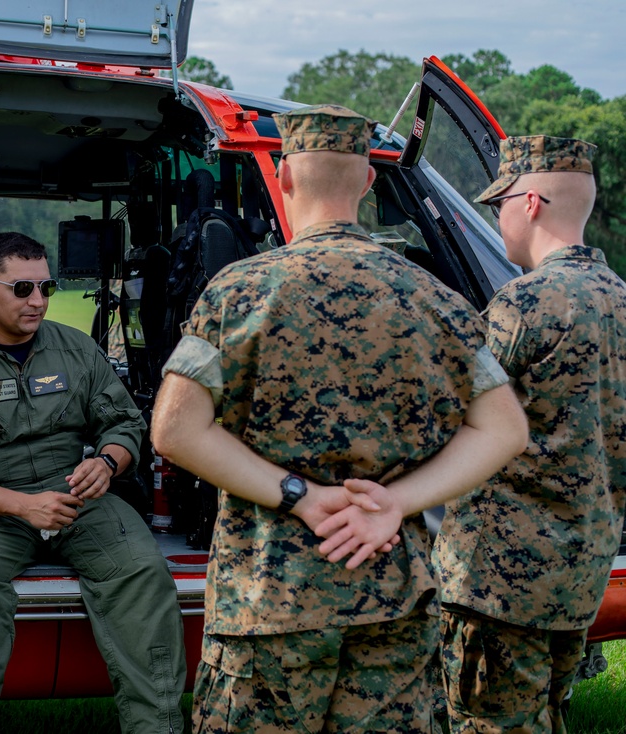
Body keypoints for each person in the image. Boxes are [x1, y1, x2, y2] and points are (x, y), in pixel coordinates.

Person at [150, 105, 528, 733]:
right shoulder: (436, 298)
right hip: (393, 594)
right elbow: (504, 429)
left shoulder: (240, 290)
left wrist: (299, 496)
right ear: (369, 184)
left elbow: (176, 430)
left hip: (268, 600)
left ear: (285, 178)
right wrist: (394, 503)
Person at [0, 231, 186, 734]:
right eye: (22, 289)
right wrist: (22, 506)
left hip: (79, 495)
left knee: (142, 570)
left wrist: (107, 462)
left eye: (46, 288)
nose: (37, 301)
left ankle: (159, 726)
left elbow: (124, 425)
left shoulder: (76, 349)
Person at [434, 135, 626, 733]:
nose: (498, 219)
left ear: (532, 202)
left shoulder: (524, 305)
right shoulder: (620, 298)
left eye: (499, 205)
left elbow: (450, 420)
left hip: (500, 582)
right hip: (581, 571)